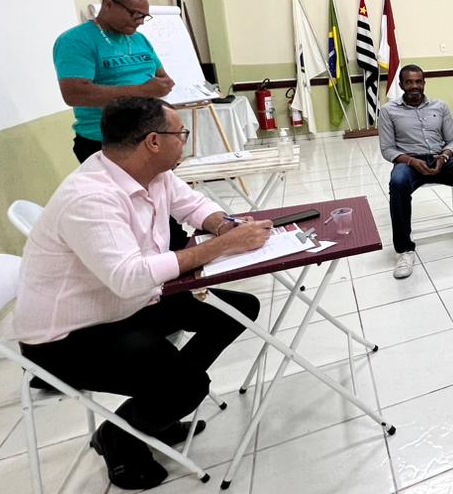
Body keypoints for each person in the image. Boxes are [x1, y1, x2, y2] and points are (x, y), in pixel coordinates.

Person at [16, 97, 270, 490]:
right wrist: (219, 247)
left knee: (236, 310)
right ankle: (119, 437)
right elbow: (130, 277)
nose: (184, 140)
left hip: (124, 306)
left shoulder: (151, 173)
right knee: (186, 386)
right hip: (67, 337)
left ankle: (153, 410)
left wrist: (223, 225)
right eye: (180, 134)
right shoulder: (91, 197)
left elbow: (193, 205)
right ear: (153, 141)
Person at [53, 0, 187, 249]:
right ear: (109, 4)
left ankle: (177, 273)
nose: (139, 22)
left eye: (143, 17)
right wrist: (140, 91)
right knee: (136, 221)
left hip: (150, 139)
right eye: (134, 14)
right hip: (108, 144)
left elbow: (161, 75)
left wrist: (163, 86)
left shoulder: (138, 39)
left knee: (166, 213)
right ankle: (152, 276)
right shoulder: (76, 41)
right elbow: (75, 93)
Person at [379, 64, 453, 278]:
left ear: (424, 83)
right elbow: (387, 149)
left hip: (441, 159)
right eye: (409, 82)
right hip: (408, 162)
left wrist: (445, 156)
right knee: (398, 183)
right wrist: (412, 161)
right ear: (401, 84)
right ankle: (404, 250)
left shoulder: (440, 107)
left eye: (418, 81)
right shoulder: (388, 111)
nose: (414, 86)